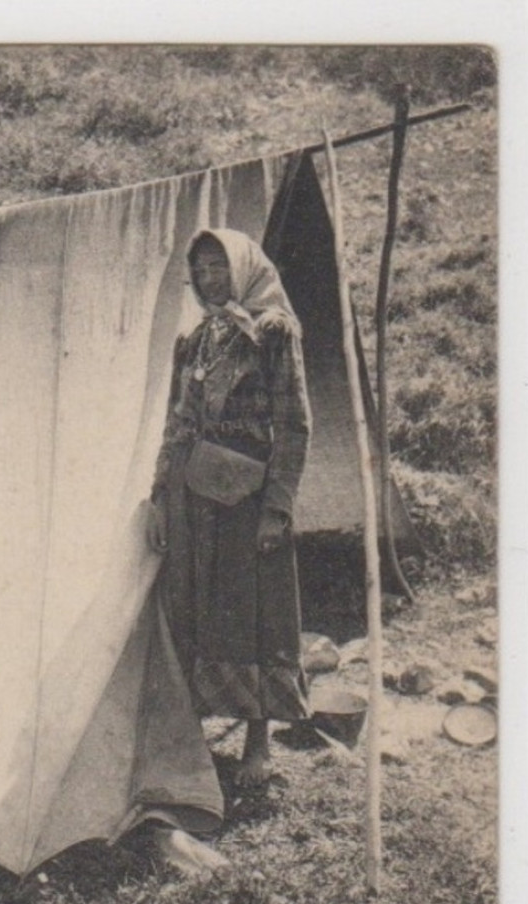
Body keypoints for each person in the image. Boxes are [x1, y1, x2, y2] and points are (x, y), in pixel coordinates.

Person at [148, 228, 313, 789]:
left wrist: (277, 509)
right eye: (201, 270)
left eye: (219, 267)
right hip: (197, 496)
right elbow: (179, 422)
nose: (209, 278)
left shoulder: (272, 332)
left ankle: (258, 746)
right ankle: (193, 736)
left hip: (249, 500)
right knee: (198, 607)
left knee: (256, 617)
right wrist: (159, 499)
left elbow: (295, 426)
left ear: (242, 268)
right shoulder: (196, 340)